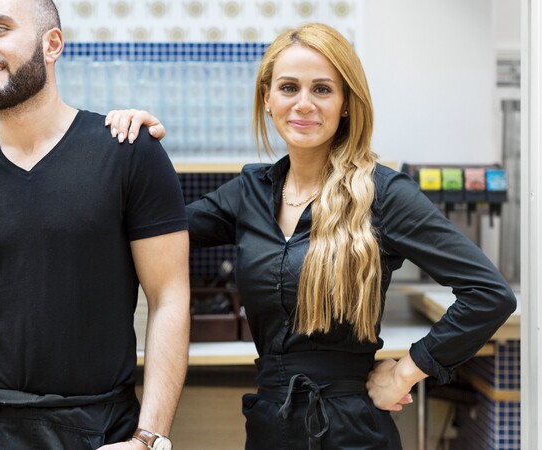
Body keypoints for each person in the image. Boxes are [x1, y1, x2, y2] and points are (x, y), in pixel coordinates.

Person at [107, 23, 516, 449]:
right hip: (269, 425)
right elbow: (151, 228)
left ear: (345, 104)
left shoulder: (383, 194)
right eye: (289, 88)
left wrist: (406, 370)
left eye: (322, 89)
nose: (303, 104)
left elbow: (488, 295)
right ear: (267, 99)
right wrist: (133, 148)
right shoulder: (249, 192)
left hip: (351, 431)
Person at [0, 0, 190, 449]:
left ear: (52, 44)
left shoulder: (129, 153)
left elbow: (169, 297)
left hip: (101, 430)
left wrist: (148, 438)